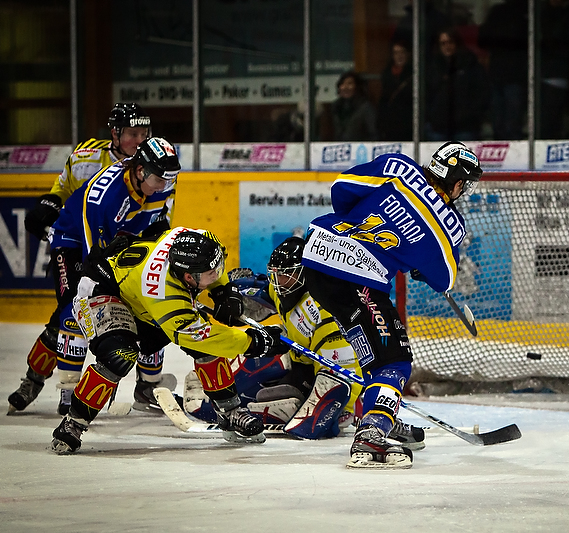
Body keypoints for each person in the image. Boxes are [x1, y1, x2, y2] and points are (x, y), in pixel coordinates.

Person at [300, 140, 483, 468]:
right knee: (394, 362)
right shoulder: (449, 223)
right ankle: (371, 431)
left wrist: (358, 225)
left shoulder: (398, 167)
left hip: (316, 255)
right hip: (355, 276)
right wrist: (415, 262)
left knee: (373, 351)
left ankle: (379, 411)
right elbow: (445, 280)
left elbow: (341, 190)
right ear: (457, 183)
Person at [50, 228, 288, 454]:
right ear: (188, 277)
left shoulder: (198, 239)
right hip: (103, 290)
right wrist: (254, 342)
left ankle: (230, 411)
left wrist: (223, 291)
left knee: (205, 340)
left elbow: (214, 260)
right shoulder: (163, 292)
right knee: (119, 355)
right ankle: (73, 423)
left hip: (137, 290)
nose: (217, 273)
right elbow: (201, 337)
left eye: (217, 270)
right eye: (210, 275)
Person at [182, 239, 426, 448]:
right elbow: (258, 303)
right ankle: (222, 402)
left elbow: (340, 379)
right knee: (254, 360)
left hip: (333, 380)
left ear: (304, 274)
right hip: (301, 363)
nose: (278, 283)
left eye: (285, 277)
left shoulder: (323, 311)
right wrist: (232, 293)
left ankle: (249, 412)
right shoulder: (283, 290)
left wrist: (321, 417)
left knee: (282, 402)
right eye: (275, 275)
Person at [7, 136, 181, 417]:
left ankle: (147, 387)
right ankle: (63, 390)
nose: (166, 186)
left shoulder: (159, 182)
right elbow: (94, 260)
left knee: (150, 303)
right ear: (141, 172)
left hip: (122, 242)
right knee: (74, 312)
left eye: (171, 179)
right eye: (162, 179)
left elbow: (156, 229)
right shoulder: (104, 197)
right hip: (74, 243)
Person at [24, 103, 152, 242]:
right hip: (83, 240)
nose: (140, 141)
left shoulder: (155, 164)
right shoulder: (84, 158)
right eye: (133, 134)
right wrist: (48, 206)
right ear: (115, 134)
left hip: (131, 242)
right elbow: (64, 191)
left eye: (144, 134)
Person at [426, 28, 490, 141]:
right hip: (439, 127)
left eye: (450, 42)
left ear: (456, 43)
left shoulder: (470, 64)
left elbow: (482, 92)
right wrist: (431, 116)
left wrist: (472, 116)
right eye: (443, 43)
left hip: (465, 127)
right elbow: (427, 93)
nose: (447, 46)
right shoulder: (433, 67)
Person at [477, 0, 528, 140]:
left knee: (511, 124)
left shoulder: (527, 11)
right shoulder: (497, 12)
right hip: (497, 74)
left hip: (515, 75)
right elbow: (482, 40)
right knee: (499, 123)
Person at [538, 0, 569, 139]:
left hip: (558, 74)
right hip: (542, 74)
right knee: (545, 120)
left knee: (553, 120)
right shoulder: (540, 14)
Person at [377, 40, 413, 142]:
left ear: (408, 54)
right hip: (390, 125)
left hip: (408, 124)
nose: (399, 56)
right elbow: (384, 101)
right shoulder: (387, 74)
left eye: (402, 52)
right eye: (396, 53)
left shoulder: (414, 74)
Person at [330, 71, 378, 142]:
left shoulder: (365, 108)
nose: (345, 87)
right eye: (342, 84)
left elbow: (373, 133)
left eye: (350, 83)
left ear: (357, 87)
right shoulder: (336, 107)